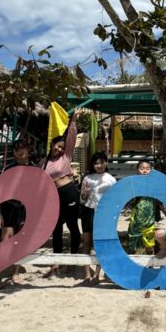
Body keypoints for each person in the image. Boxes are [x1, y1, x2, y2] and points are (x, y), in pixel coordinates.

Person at [0, 138, 39, 285]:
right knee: (5, 241)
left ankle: (15, 274)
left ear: (28, 150)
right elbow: (0, 192)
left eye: (23, 148)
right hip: (9, 207)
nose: (20, 152)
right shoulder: (8, 168)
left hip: (25, 209)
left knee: (21, 242)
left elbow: (38, 192)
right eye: (17, 149)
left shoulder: (34, 169)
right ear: (14, 152)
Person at [44, 115, 82, 258]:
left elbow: (71, 138)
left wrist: (73, 121)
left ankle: (74, 257)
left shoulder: (66, 157)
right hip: (54, 196)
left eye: (62, 148)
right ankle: (57, 260)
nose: (60, 149)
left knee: (72, 225)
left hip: (69, 192)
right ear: (52, 144)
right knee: (56, 227)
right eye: (58, 146)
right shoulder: (43, 162)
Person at [79, 151, 116, 284]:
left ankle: (97, 274)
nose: (99, 165)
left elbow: (114, 200)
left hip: (103, 213)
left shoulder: (111, 180)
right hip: (88, 211)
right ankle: (87, 275)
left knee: (100, 244)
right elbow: (82, 199)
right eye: (96, 163)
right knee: (86, 243)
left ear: (106, 163)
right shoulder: (87, 178)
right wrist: (84, 194)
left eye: (101, 162)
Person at [126, 159, 158, 254]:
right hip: (135, 221)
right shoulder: (133, 185)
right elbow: (128, 201)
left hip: (149, 221)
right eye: (142, 168)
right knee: (132, 246)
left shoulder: (154, 186)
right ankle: (131, 261)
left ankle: (151, 262)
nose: (145, 171)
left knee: (149, 246)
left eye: (147, 169)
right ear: (137, 170)